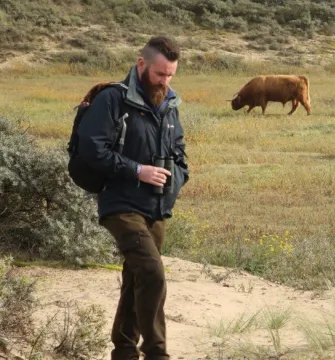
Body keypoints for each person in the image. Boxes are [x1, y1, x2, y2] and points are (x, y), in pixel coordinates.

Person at [77, 35, 189, 360]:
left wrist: (174, 181)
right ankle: (157, 353)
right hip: (119, 203)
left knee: (136, 276)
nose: (165, 81)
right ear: (142, 64)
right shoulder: (112, 99)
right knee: (153, 273)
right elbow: (92, 149)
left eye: (171, 75)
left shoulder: (169, 105)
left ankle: (124, 350)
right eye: (159, 74)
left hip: (155, 207)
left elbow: (180, 155)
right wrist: (138, 170)